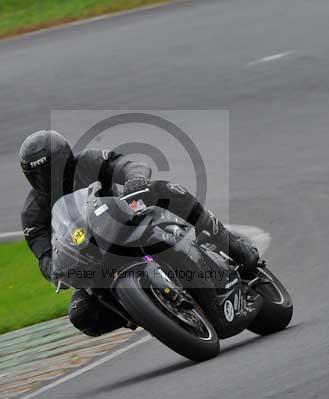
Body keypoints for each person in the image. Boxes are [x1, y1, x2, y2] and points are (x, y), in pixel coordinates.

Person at [20, 130, 260, 337]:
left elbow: (127, 166)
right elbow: (44, 255)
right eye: (38, 175)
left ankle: (230, 244)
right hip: (92, 258)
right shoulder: (33, 213)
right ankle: (146, 312)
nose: (47, 178)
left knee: (165, 190)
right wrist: (56, 272)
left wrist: (135, 180)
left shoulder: (89, 161)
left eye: (51, 168)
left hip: (126, 223)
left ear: (66, 159)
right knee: (81, 314)